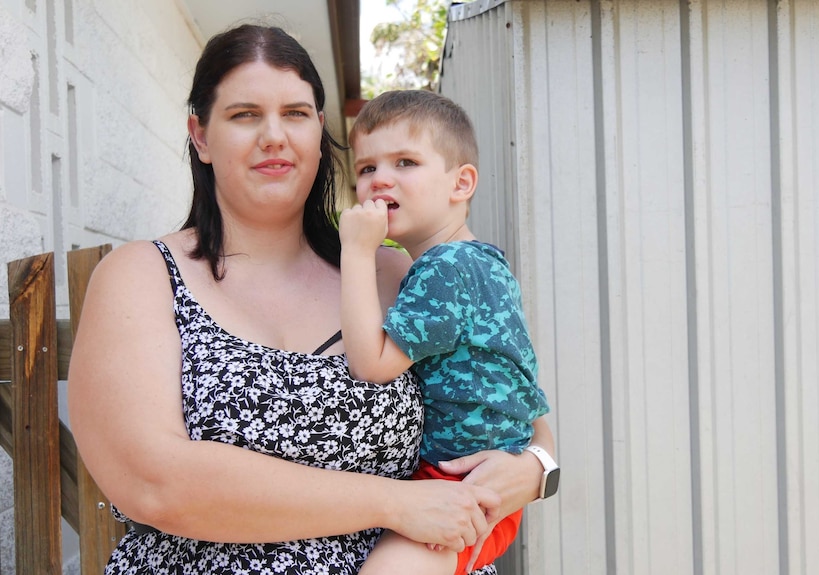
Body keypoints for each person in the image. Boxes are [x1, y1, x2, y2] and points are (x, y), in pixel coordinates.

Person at [67, 23, 555, 575]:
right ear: (200, 136)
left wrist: (538, 468)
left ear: (319, 132)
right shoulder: (141, 276)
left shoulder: (398, 273)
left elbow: (504, 390)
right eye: (244, 114)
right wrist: (395, 503)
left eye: (296, 114)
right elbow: (153, 484)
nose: (274, 136)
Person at [338, 89, 553, 575]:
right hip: (493, 476)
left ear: (461, 184)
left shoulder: (445, 268)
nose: (379, 180)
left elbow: (371, 366)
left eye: (406, 162)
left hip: (463, 487)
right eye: (367, 168)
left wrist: (355, 251)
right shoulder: (487, 262)